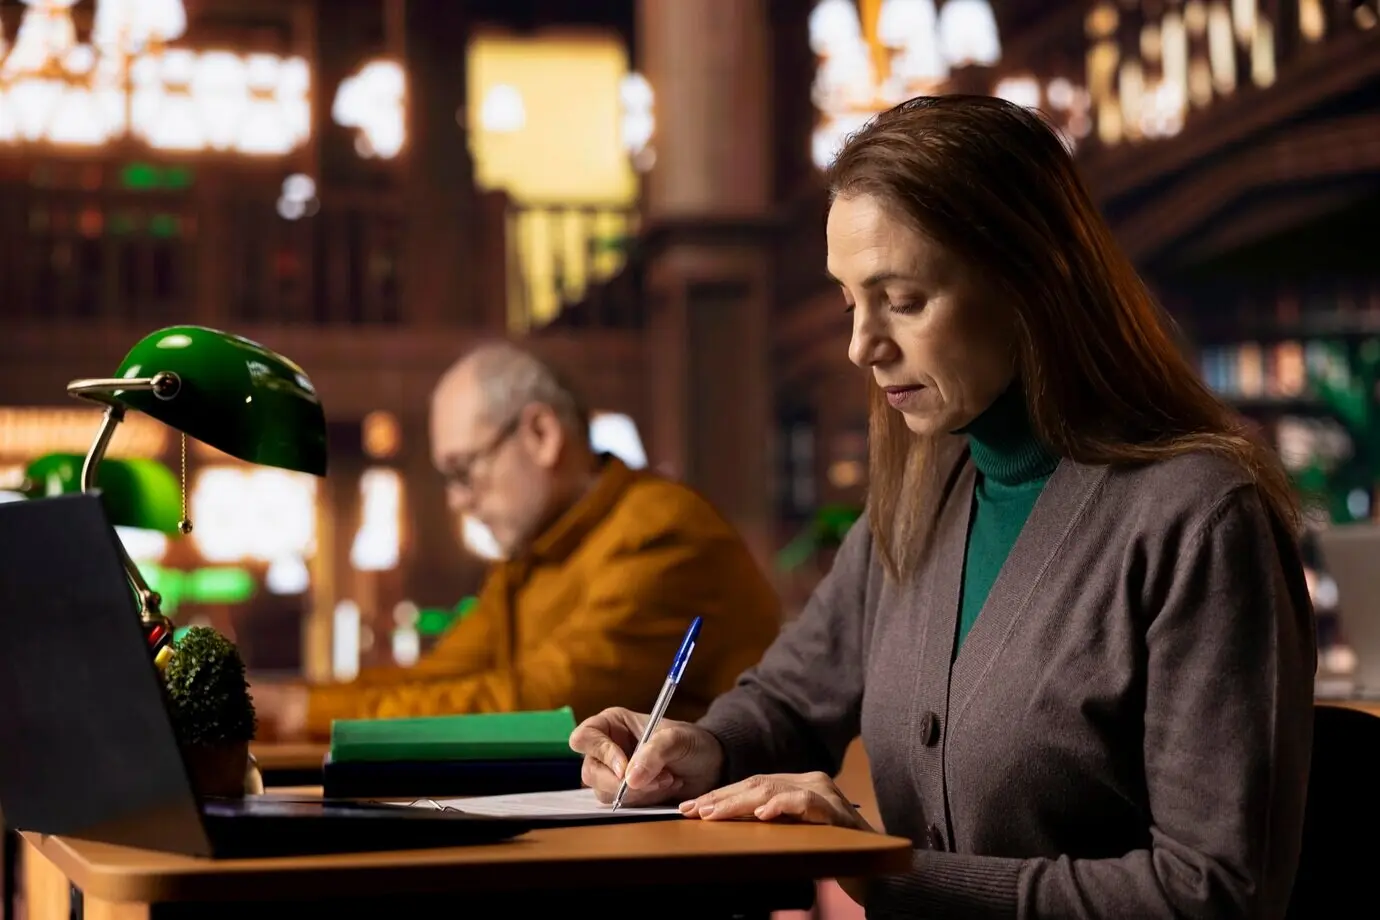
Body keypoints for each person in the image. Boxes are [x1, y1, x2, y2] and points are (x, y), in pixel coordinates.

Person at [571, 96, 1316, 918]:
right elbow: (788, 700)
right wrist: (702, 747)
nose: (861, 345)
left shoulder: (1200, 519)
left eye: (903, 299)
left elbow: (1215, 895)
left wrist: (892, 871)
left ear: (1032, 281)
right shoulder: (918, 495)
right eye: (851, 301)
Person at [254, 341, 781, 740]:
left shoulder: (661, 531)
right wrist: (284, 701)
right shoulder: (537, 551)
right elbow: (438, 679)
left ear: (541, 435)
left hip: (705, 845)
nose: (458, 501)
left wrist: (305, 713)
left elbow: (541, 709)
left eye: (464, 470)